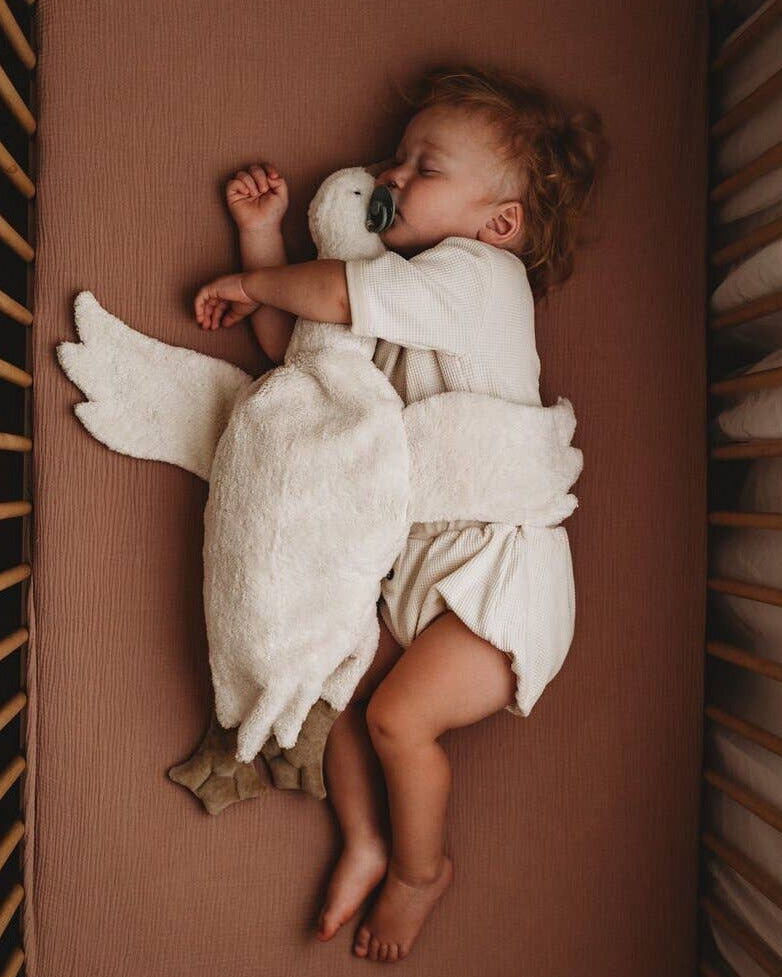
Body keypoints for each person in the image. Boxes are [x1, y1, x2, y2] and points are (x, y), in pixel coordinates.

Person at [194, 63, 607, 964]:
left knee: (397, 718)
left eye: (426, 167)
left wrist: (260, 280)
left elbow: (333, 294)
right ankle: (367, 841)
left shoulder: (480, 277)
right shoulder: (393, 287)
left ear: (500, 222)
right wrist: (262, 238)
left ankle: (423, 868)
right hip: (417, 572)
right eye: (395, 158)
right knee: (344, 685)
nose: (391, 176)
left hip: (499, 574)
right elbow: (307, 356)